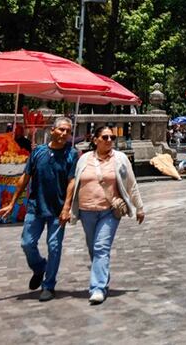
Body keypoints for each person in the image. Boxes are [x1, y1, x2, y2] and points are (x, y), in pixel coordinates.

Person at [0, 117, 77, 302]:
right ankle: (39, 267)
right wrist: (12, 202)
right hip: (35, 206)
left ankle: (49, 285)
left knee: (54, 247)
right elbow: (25, 176)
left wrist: (67, 207)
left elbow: (72, 181)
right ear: (52, 130)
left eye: (68, 131)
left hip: (57, 208)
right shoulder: (38, 152)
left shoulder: (72, 154)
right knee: (27, 243)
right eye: (61, 130)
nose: (64, 134)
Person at [62, 125, 145, 305]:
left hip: (109, 211)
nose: (109, 141)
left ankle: (97, 287)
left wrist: (139, 207)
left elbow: (131, 184)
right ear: (95, 140)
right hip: (86, 211)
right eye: (105, 137)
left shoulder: (120, 159)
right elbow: (74, 182)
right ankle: (102, 275)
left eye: (112, 138)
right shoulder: (83, 159)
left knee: (101, 247)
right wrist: (68, 207)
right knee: (93, 248)